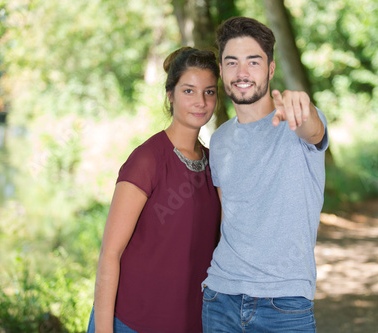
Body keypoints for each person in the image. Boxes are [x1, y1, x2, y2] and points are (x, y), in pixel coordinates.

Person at [201, 17, 329, 332]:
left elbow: (313, 129)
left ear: (270, 69)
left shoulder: (297, 123)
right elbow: (226, 218)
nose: (242, 72)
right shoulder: (218, 140)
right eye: (232, 62)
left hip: (283, 305)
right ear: (221, 71)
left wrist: (302, 108)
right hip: (220, 299)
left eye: (253, 62)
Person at [87, 47, 221, 333]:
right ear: (170, 95)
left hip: (190, 324)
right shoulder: (147, 160)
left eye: (209, 92)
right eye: (188, 91)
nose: (200, 101)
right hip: (130, 322)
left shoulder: (215, 165)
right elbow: (110, 254)